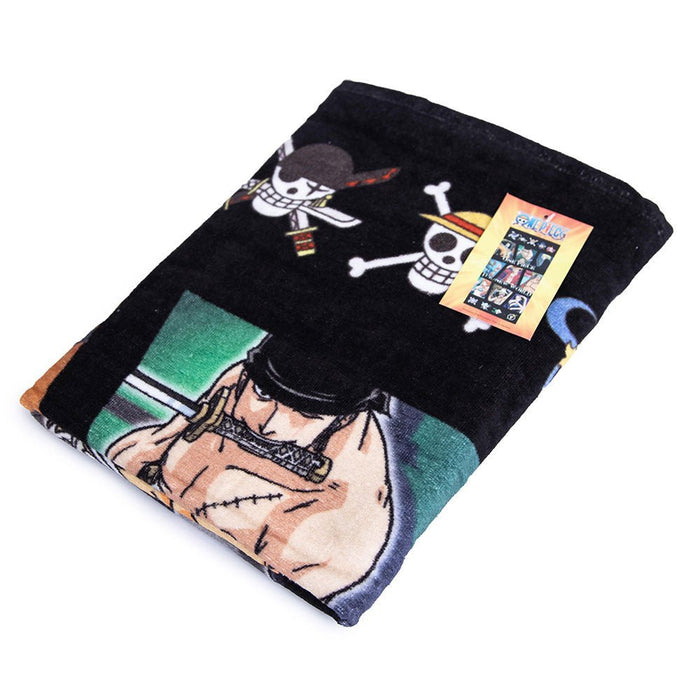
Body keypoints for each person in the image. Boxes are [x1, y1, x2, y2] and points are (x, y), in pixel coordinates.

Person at [107, 335, 393, 600]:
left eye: (304, 413)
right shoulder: (244, 380)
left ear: (343, 420)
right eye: (263, 395)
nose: (268, 425)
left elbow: (329, 572)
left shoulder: (357, 483)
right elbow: (155, 443)